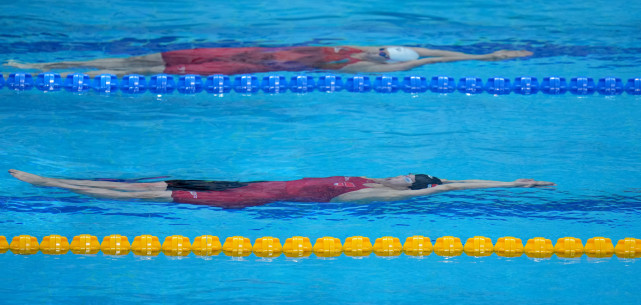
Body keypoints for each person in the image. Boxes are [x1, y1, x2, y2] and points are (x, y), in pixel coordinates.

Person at [9, 169, 555, 209]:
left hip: (249, 199)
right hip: (248, 183)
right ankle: (55, 178)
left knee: (145, 198)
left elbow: (442, 190)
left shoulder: (378, 195)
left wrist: (509, 187)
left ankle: (50, 185)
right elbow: (454, 180)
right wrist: (510, 178)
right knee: (149, 183)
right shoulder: (376, 177)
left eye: (410, 179)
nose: (402, 175)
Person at [5, 45, 533, 76]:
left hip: (245, 67)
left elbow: (423, 62)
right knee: (136, 57)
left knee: (144, 71)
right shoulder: (354, 48)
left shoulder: (364, 67)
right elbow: (434, 52)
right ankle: (37, 69)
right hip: (232, 51)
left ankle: (44, 72)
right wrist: (487, 52)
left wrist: (489, 56)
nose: (379, 50)